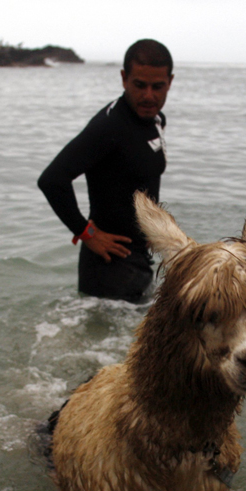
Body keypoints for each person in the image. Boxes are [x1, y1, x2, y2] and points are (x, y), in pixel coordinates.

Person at [38, 39, 174, 302]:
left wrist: (155, 227)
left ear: (170, 81)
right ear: (124, 79)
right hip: (108, 267)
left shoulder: (155, 120)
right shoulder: (110, 126)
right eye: (139, 85)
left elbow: (137, 177)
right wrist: (87, 233)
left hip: (139, 259)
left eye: (157, 86)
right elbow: (52, 180)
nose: (148, 95)